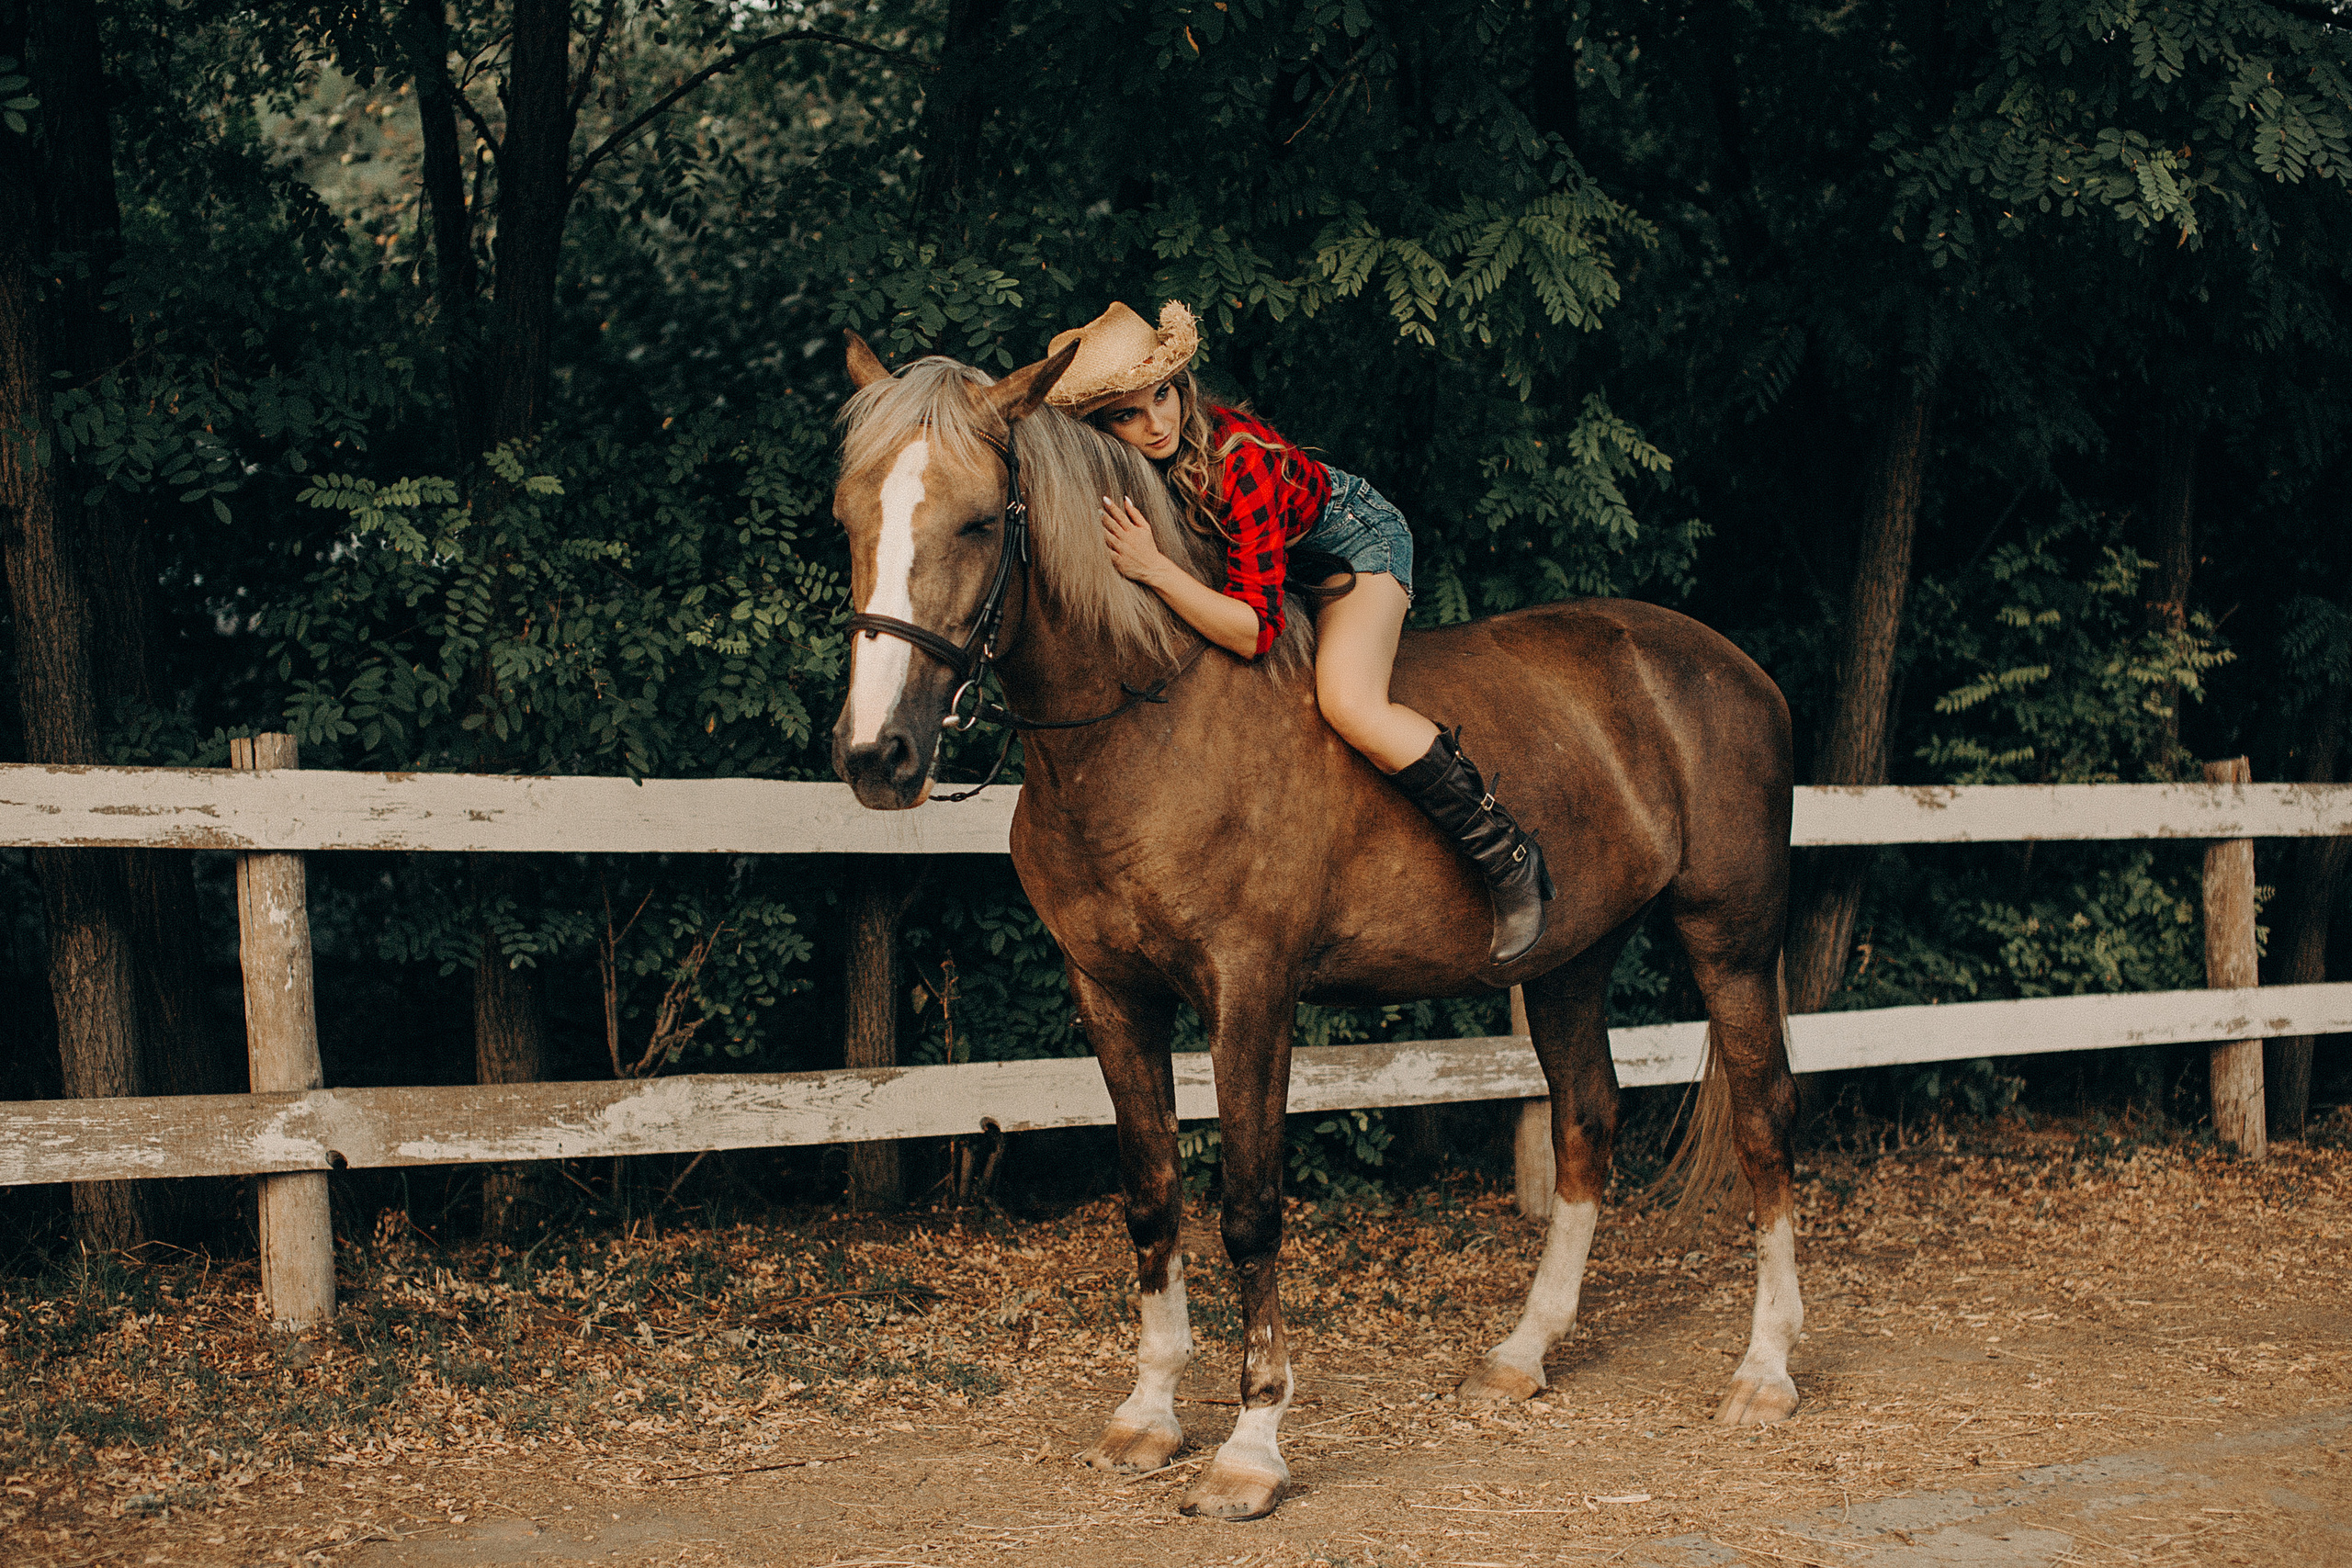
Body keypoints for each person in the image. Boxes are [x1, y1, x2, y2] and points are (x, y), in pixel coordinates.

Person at [1044, 300, 1554, 964]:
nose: (1157, 422)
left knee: (1349, 701)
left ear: (1179, 384)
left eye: (1162, 395)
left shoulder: (1240, 461)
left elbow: (1255, 630)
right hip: (1269, 566)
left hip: (1350, 545)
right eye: (1128, 413)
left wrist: (1157, 570)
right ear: (1100, 426)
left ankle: (1508, 857)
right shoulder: (1124, 471)